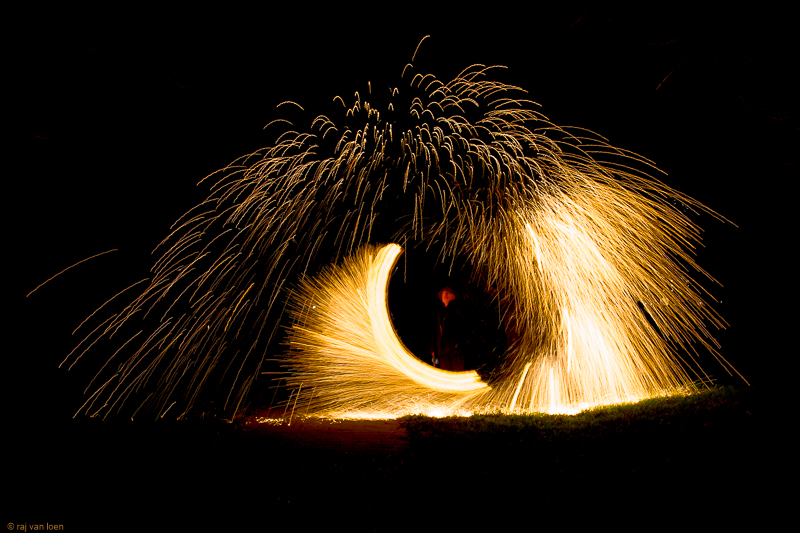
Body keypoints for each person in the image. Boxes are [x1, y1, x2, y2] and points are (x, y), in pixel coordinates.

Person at [430, 286, 468, 371]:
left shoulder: (457, 308)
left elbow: (465, 320)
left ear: (453, 297)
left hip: (455, 352)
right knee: (448, 378)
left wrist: (458, 343)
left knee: (457, 377)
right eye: (443, 293)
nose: (445, 294)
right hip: (442, 353)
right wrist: (433, 349)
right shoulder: (440, 314)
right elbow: (435, 333)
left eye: (448, 293)